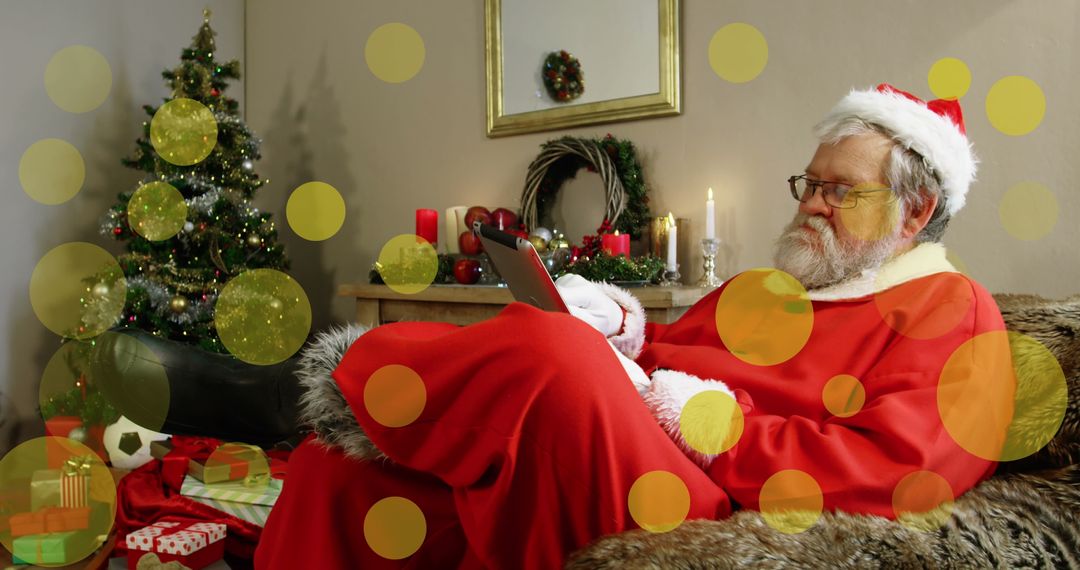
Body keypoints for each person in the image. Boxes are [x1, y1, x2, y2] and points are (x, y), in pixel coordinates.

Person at [255, 84, 1013, 569]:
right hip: (633, 447)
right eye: (809, 183)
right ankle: (366, 413)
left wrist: (712, 424)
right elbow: (668, 354)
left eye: (841, 191)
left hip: (713, 507)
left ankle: (342, 387)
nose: (812, 203)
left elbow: (900, 475)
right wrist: (623, 329)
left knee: (553, 351)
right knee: (338, 475)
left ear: (913, 213)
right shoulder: (766, 290)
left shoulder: (954, 311)